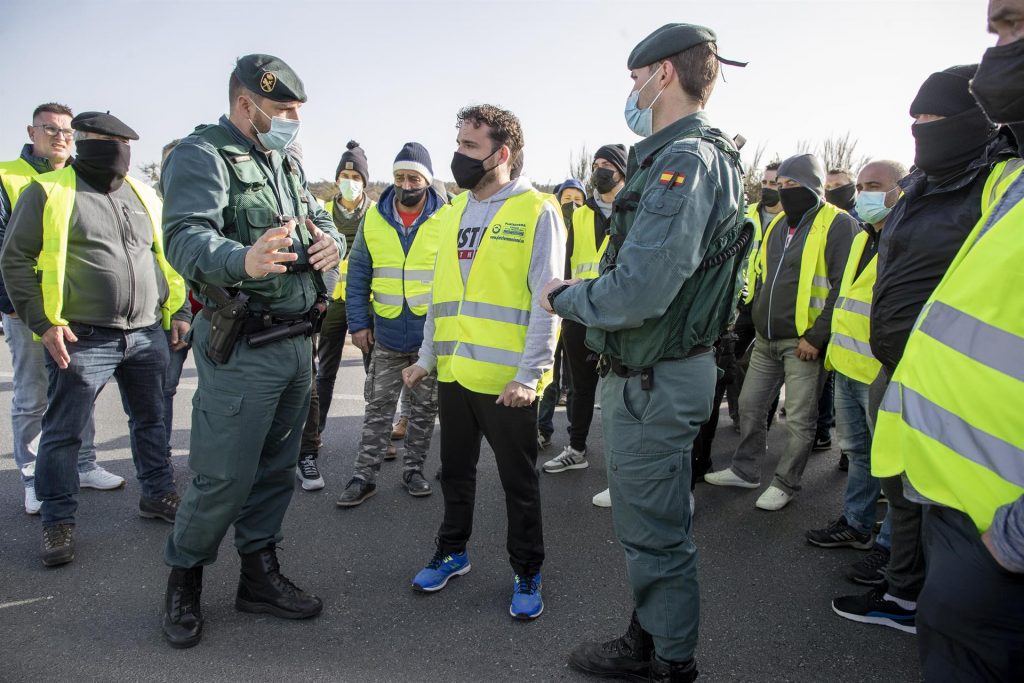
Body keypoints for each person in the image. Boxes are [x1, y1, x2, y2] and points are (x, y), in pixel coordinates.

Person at [545, 23, 750, 682]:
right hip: (657, 372)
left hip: (656, 377)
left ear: (663, 74)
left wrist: (565, 297)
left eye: (635, 79)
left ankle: (669, 660)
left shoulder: (683, 161)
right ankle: (650, 633)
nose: (631, 93)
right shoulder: (689, 156)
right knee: (651, 522)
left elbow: (638, 290)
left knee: (657, 530)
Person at [158, 54, 342, 648]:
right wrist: (241, 259)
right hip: (244, 344)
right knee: (223, 476)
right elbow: (184, 235)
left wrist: (330, 245)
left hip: (295, 341)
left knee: (275, 472)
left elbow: (321, 219)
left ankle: (258, 576)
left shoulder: (285, 161)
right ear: (247, 104)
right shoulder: (202, 154)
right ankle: (185, 576)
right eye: (283, 109)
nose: (292, 120)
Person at [832, 63, 1021, 635]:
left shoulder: (998, 180)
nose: (922, 128)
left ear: (974, 121)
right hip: (897, 367)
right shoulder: (920, 185)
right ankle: (908, 590)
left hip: (955, 378)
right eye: (914, 119)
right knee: (902, 485)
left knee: (943, 499)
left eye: (933, 117)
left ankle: (927, 597)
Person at [0, 112, 189, 567]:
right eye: (104, 141)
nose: (117, 150)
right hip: (83, 335)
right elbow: (15, 260)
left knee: (151, 421)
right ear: (83, 143)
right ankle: (58, 520)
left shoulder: (143, 193)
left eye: (122, 142)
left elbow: (163, 256)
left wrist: (178, 310)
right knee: (63, 432)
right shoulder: (47, 192)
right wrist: (43, 323)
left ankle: (158, 494)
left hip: (146, 331)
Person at [402, 104, 563, 621]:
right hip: (453, 373)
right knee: (455, 473)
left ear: (503, 153)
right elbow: (441, 297)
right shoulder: (450, 213)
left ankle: (527, 570)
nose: (459, 157)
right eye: (459, 145)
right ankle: (452, 552)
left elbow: (549, 299)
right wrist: (427, 358)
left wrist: (531, 375)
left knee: (519, 483)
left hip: (507, 382)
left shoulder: (536, 210)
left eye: (470, 147)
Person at [705, 153, 858, 511]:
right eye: (780, 184)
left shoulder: (838, 225)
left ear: (815, 187)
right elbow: (760, 278)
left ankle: (787, 482)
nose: (784, 191)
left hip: (804, 343)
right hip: (766, 339)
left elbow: (842, 287)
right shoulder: (775, 225)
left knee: (800, 420)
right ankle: (745, 471)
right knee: (749, 406)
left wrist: (817, 337)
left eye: (793, 185)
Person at [0, 104, 122, 516]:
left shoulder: (81, 177)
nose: (59, 137)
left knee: (78, 391)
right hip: (28, 311)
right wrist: (16, 306)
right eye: (50, 129)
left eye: (67, 132)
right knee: (33, 395)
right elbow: (6, 251)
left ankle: (84, 464)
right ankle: (35, 477)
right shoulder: (8, 176)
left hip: (75, 311)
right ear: (31, 131)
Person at [805, 161, 905, 562]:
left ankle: (891, 548)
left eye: (874, 186)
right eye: (861, 186)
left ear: (900, 190)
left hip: (880, 372)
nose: (864, 194)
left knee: (893, 466)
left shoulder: (907, 239)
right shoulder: (864, 237)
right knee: (860, 455)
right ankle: (857, 523)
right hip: (847, 365)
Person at [335, 142, 445, 507]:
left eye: (414, 177)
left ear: (427, 181)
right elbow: (359, 275)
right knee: (377, 409)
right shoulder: (374, 218)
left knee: (424, 411)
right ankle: (363, 477)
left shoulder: (446, 218)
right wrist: (358, 323)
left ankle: (414, 470)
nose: (406, 183)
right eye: (400, 177)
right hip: (386, 334)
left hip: (429, 337)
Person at [542, 144, 626, 485]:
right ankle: (576, 449)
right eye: (596, 164)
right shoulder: (579, 214)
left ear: (622, 171)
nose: (600, 170)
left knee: (622, 389)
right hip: (580, 311)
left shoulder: (636, 209)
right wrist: (561, 302)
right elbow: (565, 264)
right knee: (580, 386)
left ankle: (622, 464)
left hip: (620, 313)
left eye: (607, 164)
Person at [317, 139, 375, 435]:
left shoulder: (377, 213)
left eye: (356, 178)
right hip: (330, 305)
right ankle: (314, 433)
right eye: (345, 176)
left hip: (367, 303)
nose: (350, 182)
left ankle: (377, 435)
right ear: (337, 178)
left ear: (364, 181)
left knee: (373, 372)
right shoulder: (322, 211)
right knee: (324, 371)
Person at [727, 161, 783, 429]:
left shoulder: (792, 220)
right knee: (734, 362)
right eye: (765, 183)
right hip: (744, 302)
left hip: (772, 304)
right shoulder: (747, 212)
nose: (768, 188)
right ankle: (738, 415)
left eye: (774, 183)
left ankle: (761, 422)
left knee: (766, 369)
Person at [537, 177, 586, 449]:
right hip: (551, 312)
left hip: (577, 313)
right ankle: (543, 428)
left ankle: (575, 438)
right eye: (567, 199)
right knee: (549, 377)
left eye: (578, 200)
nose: (573, 205)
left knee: (576, 381)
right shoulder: (548, 227)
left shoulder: (588, 228)